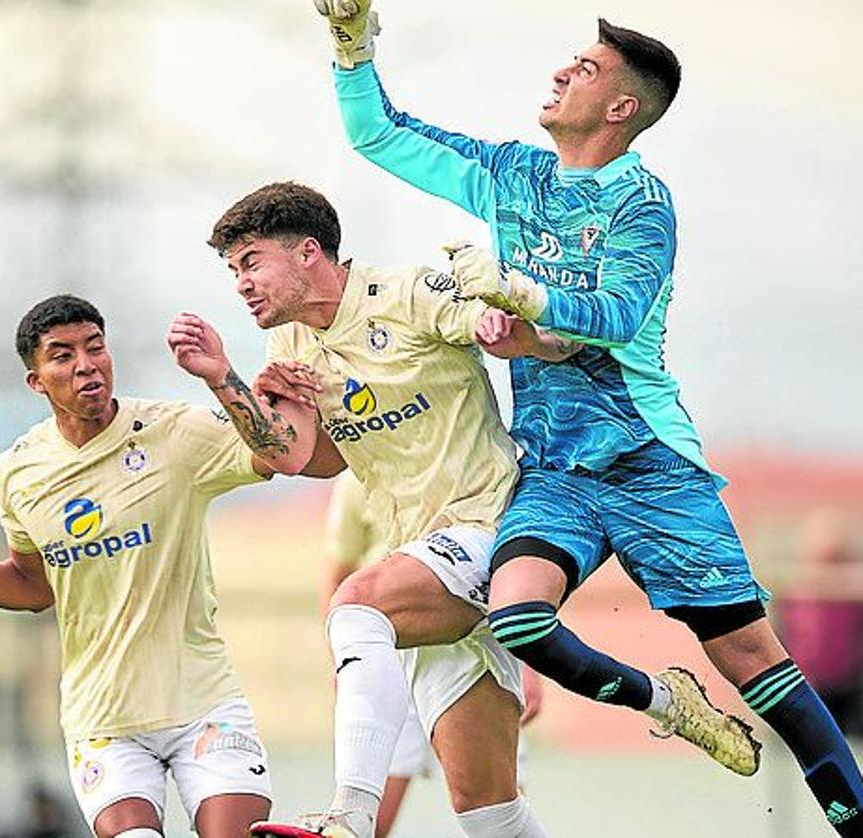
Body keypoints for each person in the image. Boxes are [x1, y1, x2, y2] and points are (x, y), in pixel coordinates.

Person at [311, 3, 863, 832]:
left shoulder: (645, 204)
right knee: (519, 615)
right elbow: (380, 137)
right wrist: (352, 48)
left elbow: (616, 313)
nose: (563, 71)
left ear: (620, 108)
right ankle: (664, 704)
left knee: (752, 657)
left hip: (651, 464)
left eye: (587, 68)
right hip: (556, 475)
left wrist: (520, 298)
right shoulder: (512, 176)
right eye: (570, 60)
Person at [168, 181, 571, 837]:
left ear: (307, 253)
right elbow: (306, 458)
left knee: (355, 605)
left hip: (492, 529)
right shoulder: (291, 345)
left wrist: (511, 328)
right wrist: (224, 379)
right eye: (232, 269)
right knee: (487, 808)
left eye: (250, 261)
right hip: (428, 558)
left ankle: (348, 818)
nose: (240, 283)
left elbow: (520, 333)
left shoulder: (407, 294)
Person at [0, 294, 310, 838]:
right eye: (62, 355)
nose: (85, 364)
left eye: (95, 347)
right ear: (36, 381)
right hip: (103, 722)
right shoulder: (20, 471)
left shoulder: (173, 432)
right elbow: (33, 586)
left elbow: (282, 453)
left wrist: (221, 376)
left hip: (203, 703)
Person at [321, 473, 544, 838]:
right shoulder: (354, 480)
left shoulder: (481, 459)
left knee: (495, 814)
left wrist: (530, 663)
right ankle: (351, 812)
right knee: (370, 825)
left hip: (476, 644)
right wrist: (344, 656)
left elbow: (522, 572)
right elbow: (338, 573)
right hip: (392, 661)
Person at [780, 513, 863, 738]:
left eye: (834, 559)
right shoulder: (794, 593)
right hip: (804, 684)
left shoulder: (852, 593)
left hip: (847, 688)